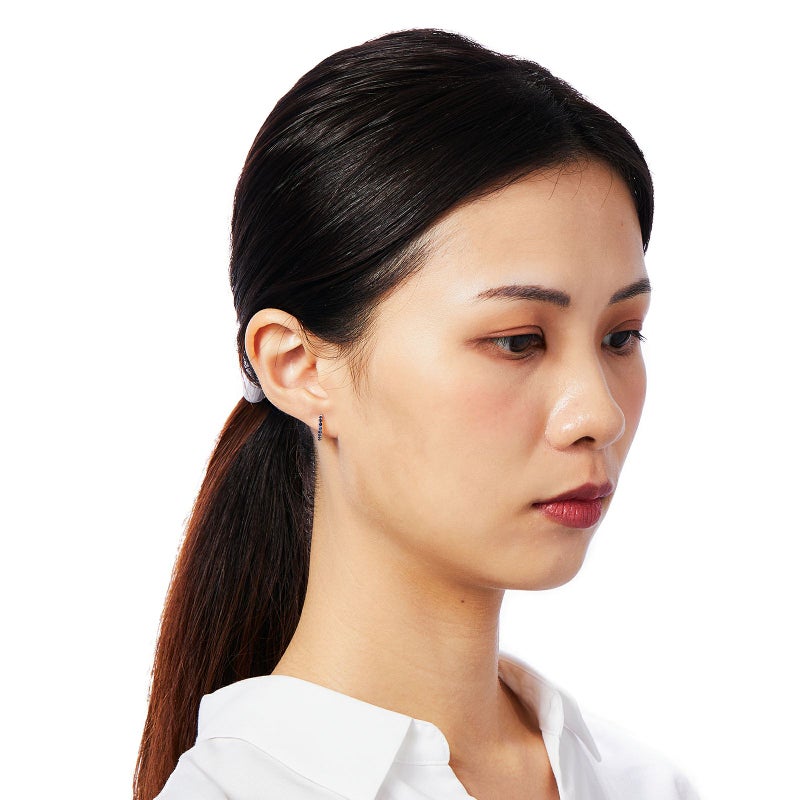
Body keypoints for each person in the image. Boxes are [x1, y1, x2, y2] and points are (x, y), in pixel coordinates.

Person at [135, 28, 699, 800]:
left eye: (621, 336)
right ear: (298, 366)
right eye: (517, 341)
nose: (599, 414)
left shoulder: (645, 785)